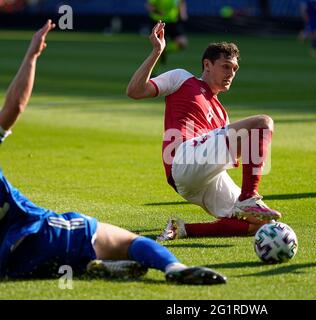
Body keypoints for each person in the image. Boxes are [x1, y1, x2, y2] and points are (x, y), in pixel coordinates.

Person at [0, 20, 226, 285]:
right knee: (130, 241)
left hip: (7, 262)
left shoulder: (216, 106)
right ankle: (173, 267)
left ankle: (90, 266)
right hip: (39, 232)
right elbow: (13, 106)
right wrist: (32, 56)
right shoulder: (182, 80)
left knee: (46, 263)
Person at [127, 21, 282, 241]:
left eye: (235, 69)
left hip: (199, 179)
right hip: (182, 158)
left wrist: (247, 146)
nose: (231, 73)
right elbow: (134, 91)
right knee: (263, 122)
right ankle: (249, 198)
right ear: (207, 64)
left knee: (262, 224)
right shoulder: (182, 79)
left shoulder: (222, 114)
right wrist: (156, 52)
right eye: (226, 66)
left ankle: (182, 229)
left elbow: (231, 154)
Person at [146, 0, 188, 66]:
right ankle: (152, 73)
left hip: (173, 22)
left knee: (182, 43)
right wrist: (158, 12)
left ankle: (163, 51)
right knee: (159, 46)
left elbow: (181, 2)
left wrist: (183, 12)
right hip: (159, 22)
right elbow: (150, 6)